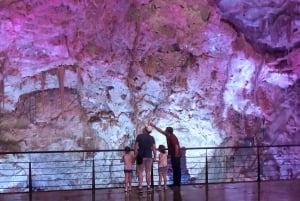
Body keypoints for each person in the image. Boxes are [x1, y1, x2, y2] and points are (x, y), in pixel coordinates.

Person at [134, 125, 156, 193]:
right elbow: (154, 148)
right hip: (149, 156)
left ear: (145, 130)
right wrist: (155, 156)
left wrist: (135, 155)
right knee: (148, 172)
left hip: (141, 156)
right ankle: (148, 187)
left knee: (140, 172)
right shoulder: (152, 138)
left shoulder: (139, 136)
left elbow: (136, 147)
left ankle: (140, 187)